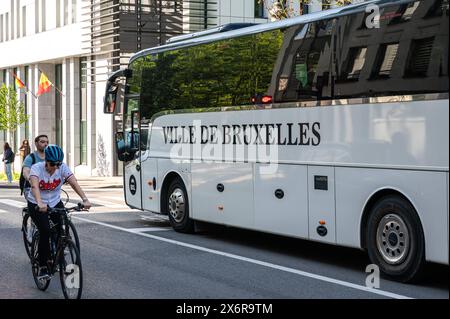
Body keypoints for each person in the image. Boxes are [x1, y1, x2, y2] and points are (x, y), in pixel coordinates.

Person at [27, 144, 92, 277]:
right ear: (46, 161)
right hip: (37, 203)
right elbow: (34, 186)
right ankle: (43, 265)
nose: (56, 167)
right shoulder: (36, 168)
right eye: (53, 164)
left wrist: (85, 199)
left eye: (58, 164)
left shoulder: (62, 167)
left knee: (62, 227)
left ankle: (59, 255)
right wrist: (40, 203)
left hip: (55, 201)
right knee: (45, 230)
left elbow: (73, 182)